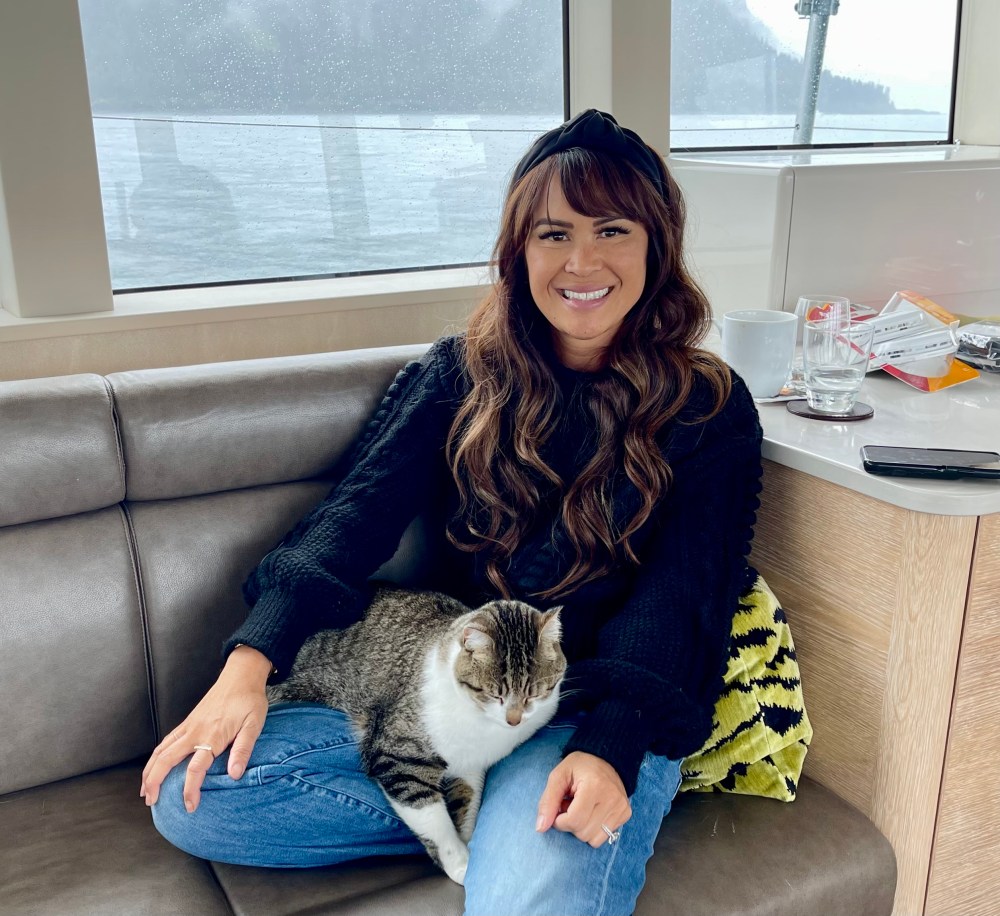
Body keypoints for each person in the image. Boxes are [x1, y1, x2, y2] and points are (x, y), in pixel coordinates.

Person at [142, 109, 763, 916]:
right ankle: (471, 802)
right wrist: (248, 666)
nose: (582, 262)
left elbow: (683, 596)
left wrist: (612, 747)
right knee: (197, 797)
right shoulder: (460, 374)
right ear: (519, 251)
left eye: (613, 230)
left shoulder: (707, 405)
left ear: (656, 245)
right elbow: (353, 520)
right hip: (448, 704)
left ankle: (498, 808)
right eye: (553, 234)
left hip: (588, 715)